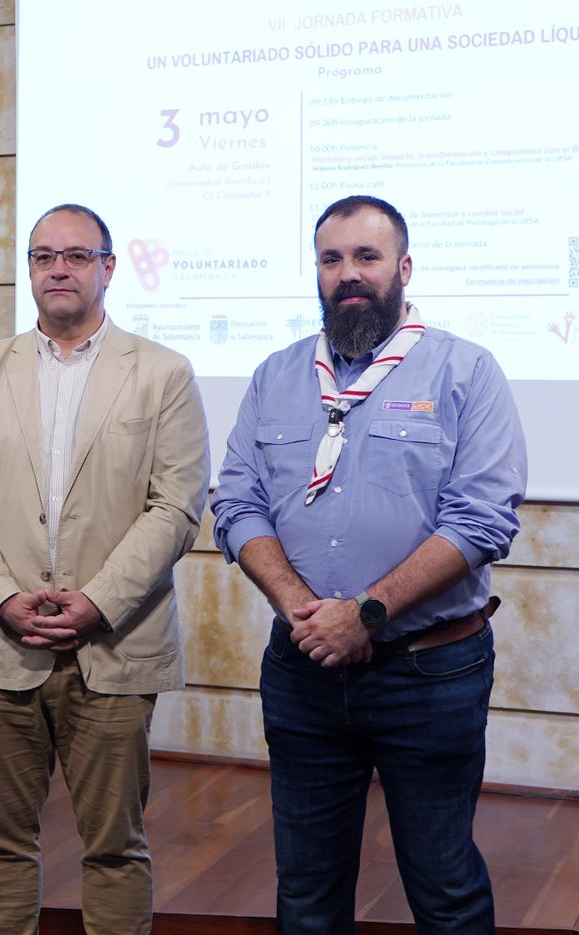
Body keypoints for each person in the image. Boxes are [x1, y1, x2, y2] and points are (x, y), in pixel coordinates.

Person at [210, 195, 526, 934]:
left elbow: (481, 520)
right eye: (331, 259)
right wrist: (299, 605)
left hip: (430, 674)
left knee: (444, 887)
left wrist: (367, 613)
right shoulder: (276, 376)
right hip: (303, 667)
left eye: (367, 257)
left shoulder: (467, 371)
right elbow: (238, 502)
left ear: (403, 268)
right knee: (307, 894)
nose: (348, 274)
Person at [0, 204, 209, 935]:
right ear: (29, 270)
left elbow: (176, 507)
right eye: (43, 255)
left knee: (116, 847)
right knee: (1, 841)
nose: (58, 267)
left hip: (114, 646)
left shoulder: (163, 373)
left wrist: (95, 601)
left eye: (77, 255)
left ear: (108, 268)